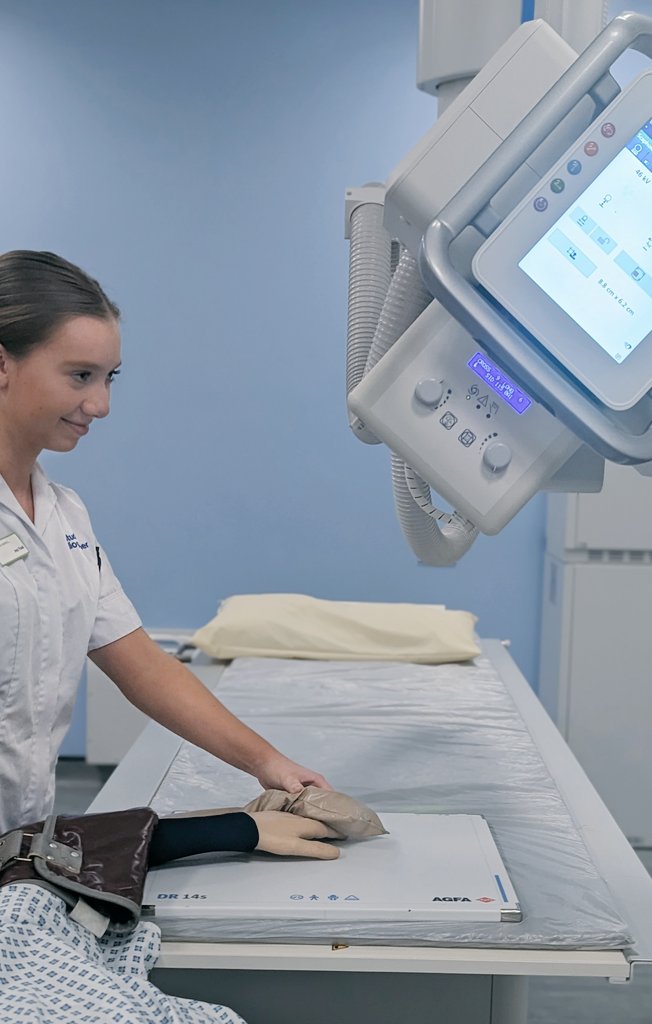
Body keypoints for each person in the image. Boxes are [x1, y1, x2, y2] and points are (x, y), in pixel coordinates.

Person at [0, 249, 335, 856]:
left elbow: (140, 664)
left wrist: (269, 765)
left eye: (109, 378)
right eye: (79, 376)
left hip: (20, 842)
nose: (101, 405)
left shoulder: (63, 515)